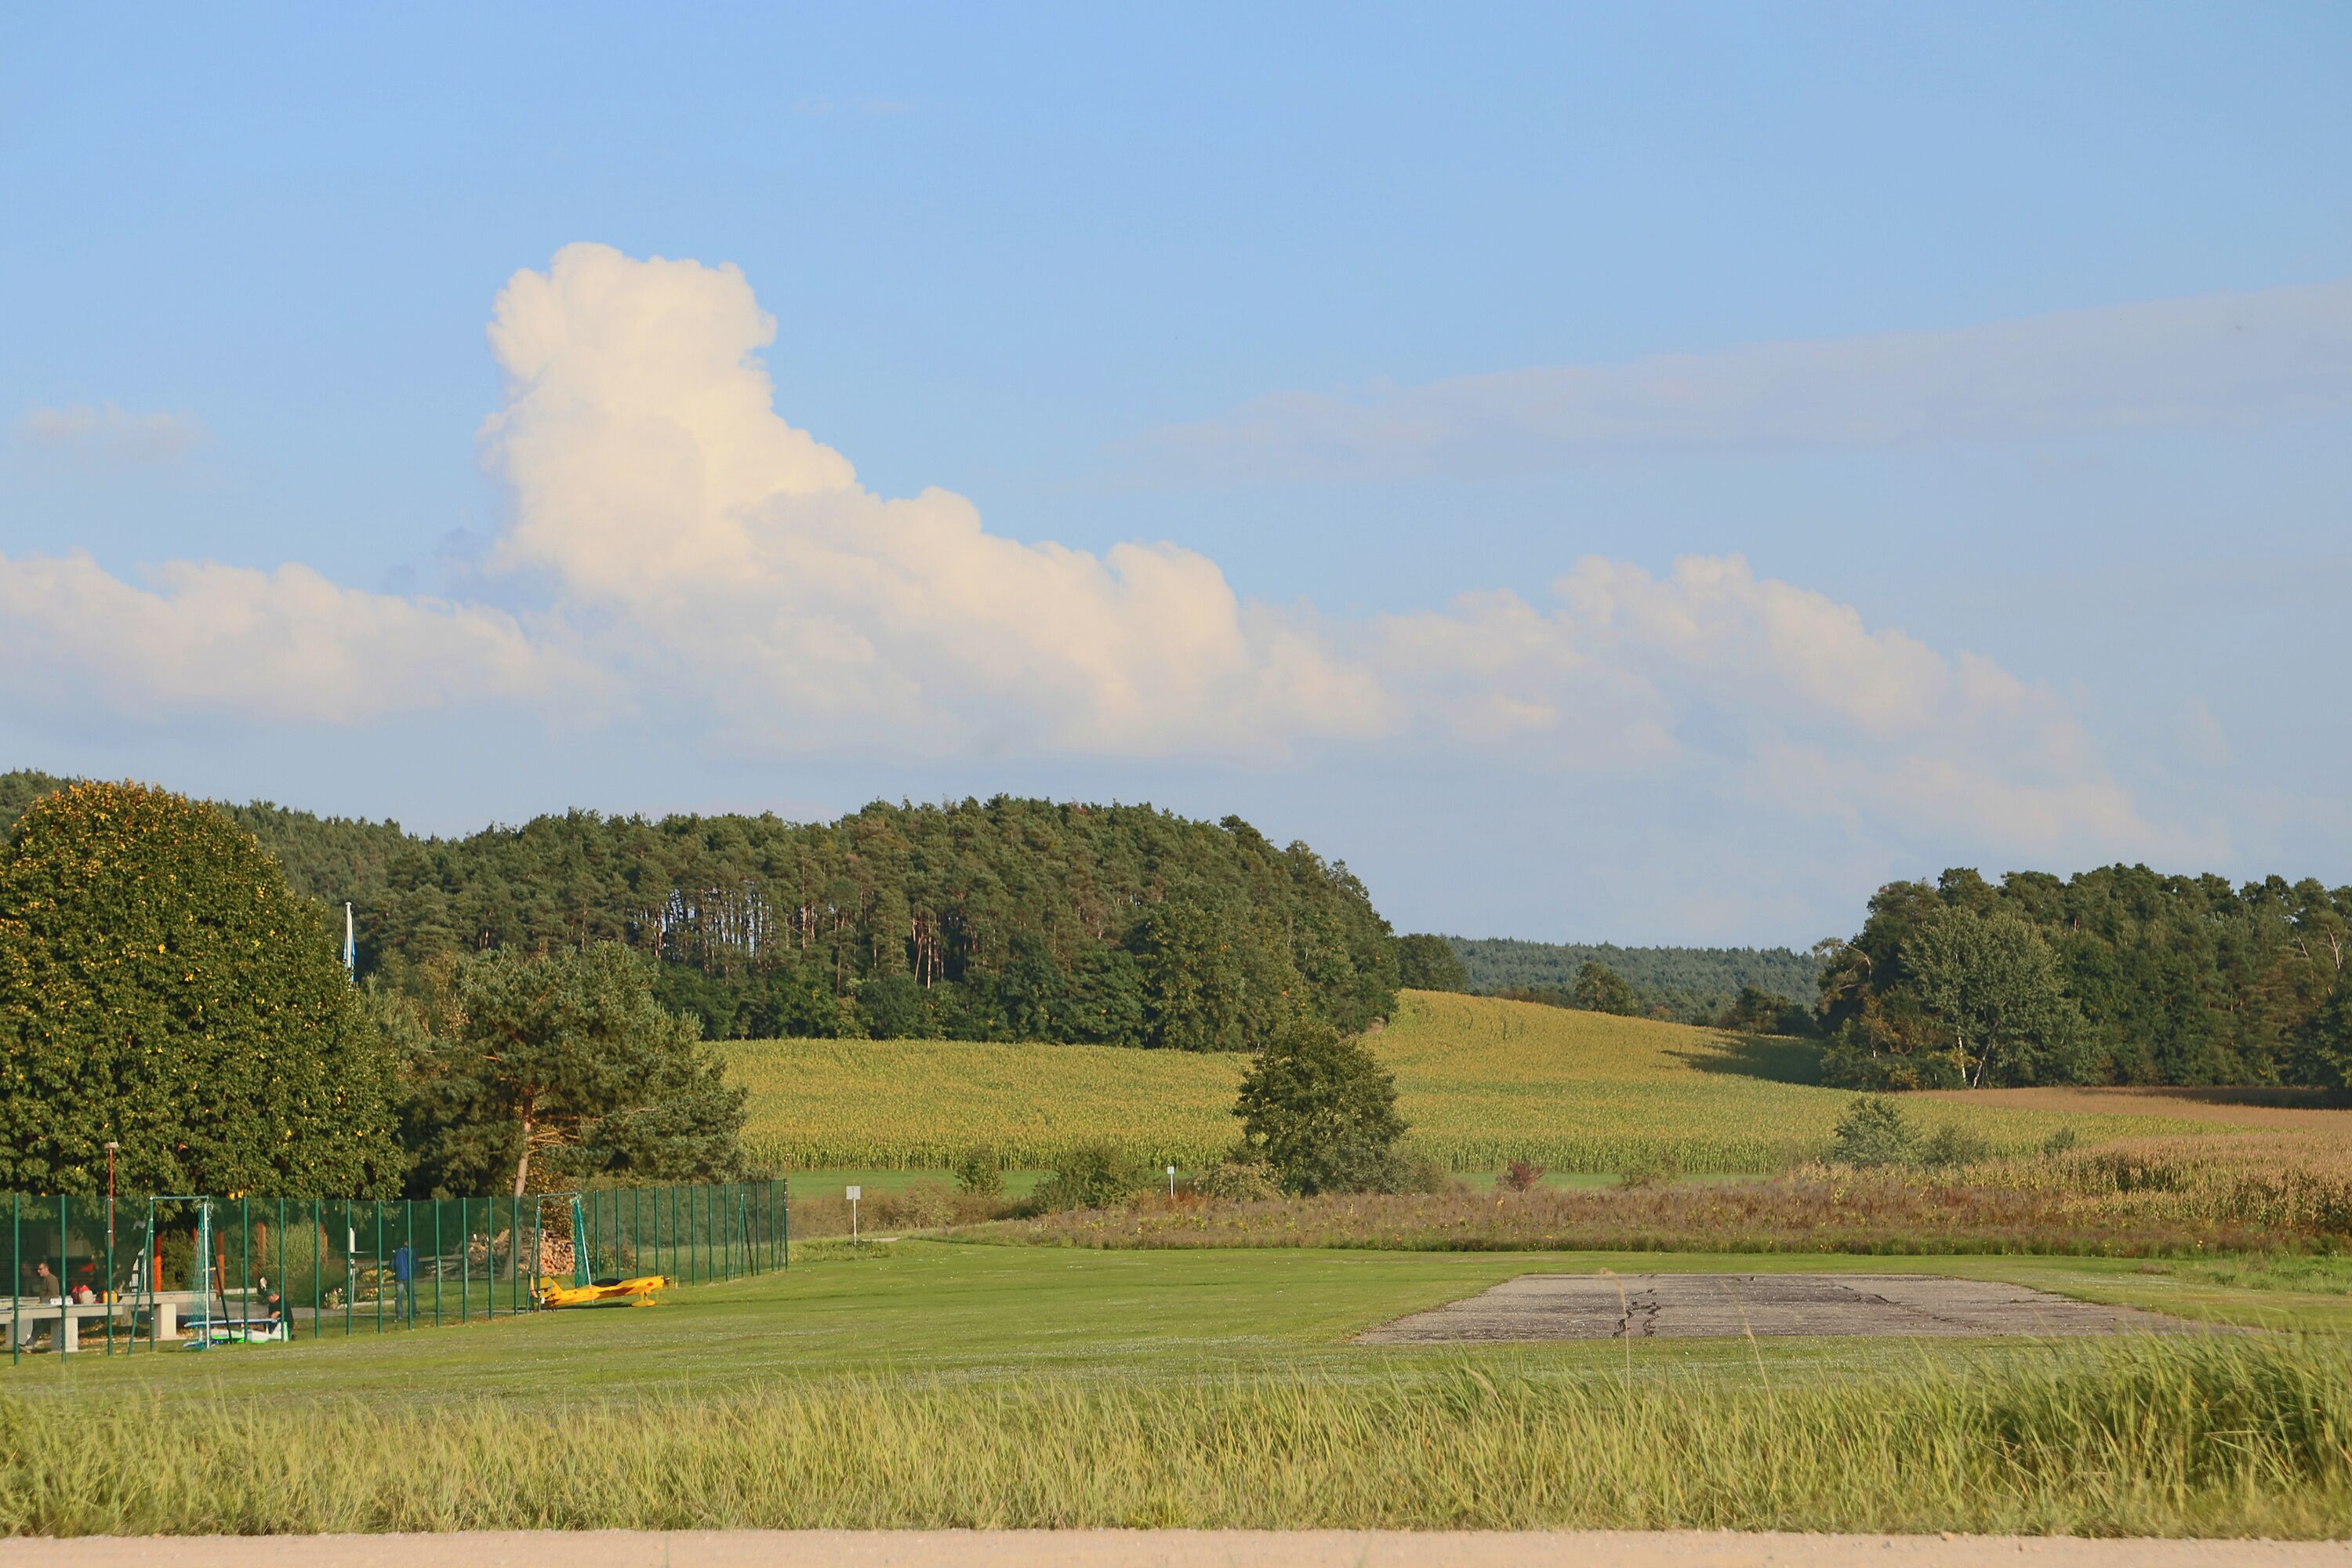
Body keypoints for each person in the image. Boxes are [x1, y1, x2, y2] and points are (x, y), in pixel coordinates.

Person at [390, 1243, 415, 1323]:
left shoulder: (397, 1253)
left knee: (399, 1297)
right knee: (411, 1295)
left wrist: (395, 1271)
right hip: (408, 1276)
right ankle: (413, 1312)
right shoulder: (410, 1252)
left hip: (399, 1276)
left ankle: (400, 1314)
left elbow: (392, 1265)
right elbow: (413, 1263)